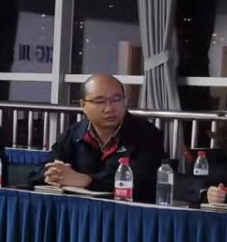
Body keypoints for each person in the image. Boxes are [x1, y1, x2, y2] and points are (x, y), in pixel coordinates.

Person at [42, 73, 166, 201]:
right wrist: (53, 175)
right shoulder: (74, 133)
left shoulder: (147, 134)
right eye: (100, 101)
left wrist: (87, 181)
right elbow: (44, 168)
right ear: (83, 105)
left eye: (116, 100)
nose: (109, 108)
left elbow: (141, 181)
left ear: (125, 101)